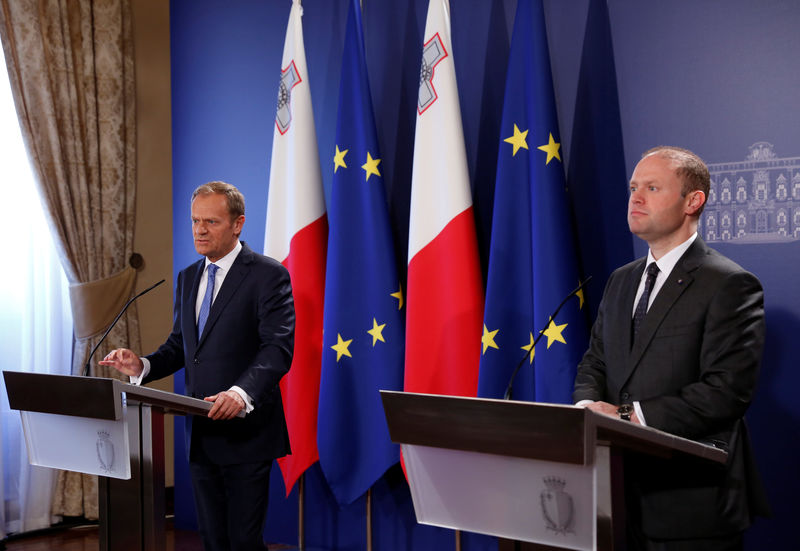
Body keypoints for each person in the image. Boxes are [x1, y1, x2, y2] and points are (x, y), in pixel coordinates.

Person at [574, 146, 769, 550]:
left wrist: (625, 416)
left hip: (689, 503)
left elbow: (725, 392)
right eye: (633, 188)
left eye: (652, 187)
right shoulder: (621, 280)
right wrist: (586, 410)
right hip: (611, 498)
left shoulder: (729, 284)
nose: (636, 198)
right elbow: (595, 361)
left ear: (692, 201)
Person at [100, 181, 294, 551]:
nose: (200, 230)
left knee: (243, 542)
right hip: (202, 434)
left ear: (238, 224)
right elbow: (181, 346)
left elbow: (277, 349)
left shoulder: (268, 275)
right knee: (213, 541)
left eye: (211, 222)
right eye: (194, 221)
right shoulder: (189, 277)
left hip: (247, 432)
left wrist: (240, 393)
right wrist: (141, 363)